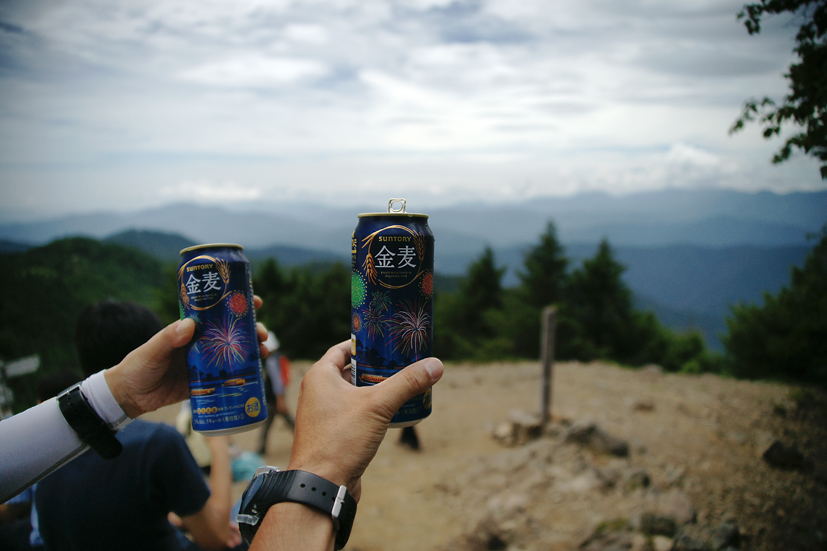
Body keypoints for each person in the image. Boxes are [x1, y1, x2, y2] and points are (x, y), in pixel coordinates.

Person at [0, 299, 443, 551]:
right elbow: (214, 539)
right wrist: (318, 471)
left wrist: (115, 396)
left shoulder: (49, 464)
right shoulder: (159, 444)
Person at [32, 300, 242, 551]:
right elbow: (217, 539)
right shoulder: (156, 443)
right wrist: (218, 445)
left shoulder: (46, 453)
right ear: (151, 353)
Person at [0, 370, 83, 551]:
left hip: (47, 543)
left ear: (42, 404)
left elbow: (14, 508)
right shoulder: (105, 435)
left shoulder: (31, 443)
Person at [258, 331, 295, 455]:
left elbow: (277, 382)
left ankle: (261, 449)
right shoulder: (279, 357)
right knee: (290, 422)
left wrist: (280, 401)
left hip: (273, 399)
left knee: (266, 426)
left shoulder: (271, 361)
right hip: (276, 399)